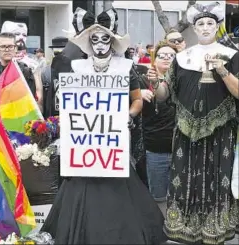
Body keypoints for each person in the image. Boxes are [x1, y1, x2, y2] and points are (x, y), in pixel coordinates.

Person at [41, 8, 166, 244]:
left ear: (113, 40)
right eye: (94, 39)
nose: (99, 44)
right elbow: (68, 104)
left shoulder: (125, 67)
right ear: (88, 42)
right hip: (85, 143)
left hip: (113, 140)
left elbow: (137, 99)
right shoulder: (77, 68)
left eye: (104, 38)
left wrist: (128, 115)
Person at [149, 2, 239, 244]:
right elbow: (164, 95)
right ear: (195, 28)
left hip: (221, 133)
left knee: (216, 180)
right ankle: (184, 228)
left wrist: (222, 70)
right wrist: (157, 83)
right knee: (184, 180)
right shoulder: (181, 58)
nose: (206, 27)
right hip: (185, 133)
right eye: (201, 24)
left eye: (210, 23)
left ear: (218, 26)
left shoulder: (231, 55)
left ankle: (215, 229)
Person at [0, 32, 37, 225]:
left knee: (17, 169)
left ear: (15, 48)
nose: (7, 50)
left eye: (10, 46)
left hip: (16, 131)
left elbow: (31, 101)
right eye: (3, 47)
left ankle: (17, 207)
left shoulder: (24, 71)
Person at [140, 41, 176, 214]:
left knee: (180, 196)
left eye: (172, 56)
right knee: (159, 196)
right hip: (155, 148)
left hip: (181, 149)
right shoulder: (142, 80)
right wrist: (138, 94)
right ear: (154, 59)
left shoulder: (183, 81)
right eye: (162, 55)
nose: (167, 59)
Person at [42, 36, 68, 118]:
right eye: (57, 53)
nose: (59, 57)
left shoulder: (75, 69)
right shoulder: (46, 71)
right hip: (51, 116)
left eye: (62, 53)